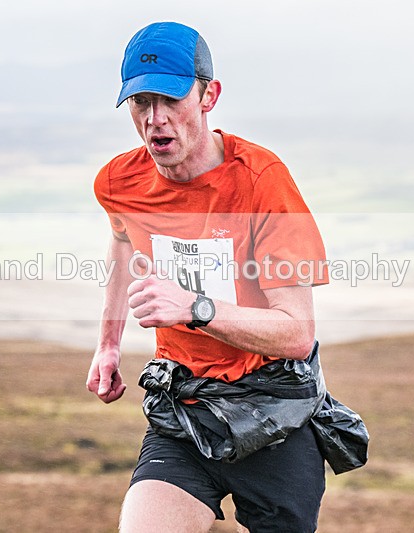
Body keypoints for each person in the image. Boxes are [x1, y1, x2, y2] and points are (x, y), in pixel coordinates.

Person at [87, 21, 329, 533]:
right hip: (185, 406)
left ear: (208, 95)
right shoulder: (118, 182)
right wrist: (108, 344)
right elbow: (123, 239)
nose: (155, 120)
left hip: (273, 411)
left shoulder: (263, 184)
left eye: (171, 100)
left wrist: (195, 307)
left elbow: (296, 331)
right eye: (140, 103)